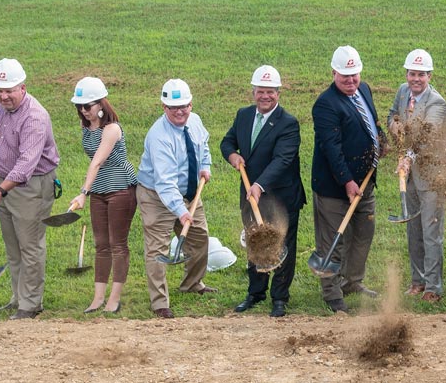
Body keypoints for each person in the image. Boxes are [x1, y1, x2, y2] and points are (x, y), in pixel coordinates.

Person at [0, 58, 60, 320]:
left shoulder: (34, 117)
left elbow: (25, 165)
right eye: (0, 90)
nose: (4, 96)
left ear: (22, 87)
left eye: (9, 90)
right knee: (13, 245)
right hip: (4, 183)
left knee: (30, 245)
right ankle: (18, 297)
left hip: (31, 186)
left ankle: (31, 304)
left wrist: (0, 191)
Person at [221, 65, 303, 318]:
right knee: (255, 243)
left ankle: (279, 298)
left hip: (280, 196)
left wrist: (259, 185)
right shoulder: (244, 115)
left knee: (281, 245)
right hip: (250, 194)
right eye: (260, 91)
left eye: (270, 92)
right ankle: (255, 293)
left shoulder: (288, 124)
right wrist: (232, 155)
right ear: (253, 91)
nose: (265, 96)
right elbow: (228, 141)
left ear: (278, 93)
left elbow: (282, 160)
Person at [311, 45, 384, 314]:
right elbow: (332, 148)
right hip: (334, 188)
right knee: (332, 240)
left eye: (355, 75)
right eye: (345, 77)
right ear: (333, 73)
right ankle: (331, 292)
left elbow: (372, 123)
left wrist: (382, 140)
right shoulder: (325, 105)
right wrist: (347, 182)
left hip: (365, 183)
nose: (351, 82)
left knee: (364, 232)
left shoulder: (363, 90)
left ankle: (352, 281)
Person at [136, 78, 215, 319]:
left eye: (185, 106)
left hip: (190, 192)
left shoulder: (196, 121)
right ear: (164, 107)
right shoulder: (159, 136)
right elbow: (164, 182)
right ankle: (159, 302)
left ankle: (192, 284)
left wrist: (205, 166)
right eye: (174, 108)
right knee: (157, 248)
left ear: (191, 104)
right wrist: (180, 211)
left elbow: (203, 147)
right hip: (156, 197)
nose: (180, 111)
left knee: (200, 237)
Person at [67, 77, 138, 315]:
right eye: (80, 106)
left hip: (120, 188)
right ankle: (98, 298)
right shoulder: (86, 127)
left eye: (88, 106)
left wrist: (82, 193)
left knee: (117, 244)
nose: (83, 111)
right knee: (101, 245)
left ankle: (114, 299)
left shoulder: (112, 128)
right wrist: (89, 191)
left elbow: (97, 161)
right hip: (99, 189)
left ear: (101, 104)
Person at [387, 48, 446, 303]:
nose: (416, 79)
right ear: (407, 73)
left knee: (430, 232)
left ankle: (434, 286)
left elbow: (427, 136)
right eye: (412, 74)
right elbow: (392, 115)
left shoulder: (437, 103)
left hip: (431, 176)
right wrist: (395, 126)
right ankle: (417, 281)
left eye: (421, 75)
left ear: (429, 76)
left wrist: (408, 158)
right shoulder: (403, 92)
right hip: (410, 176)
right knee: (413, 229)